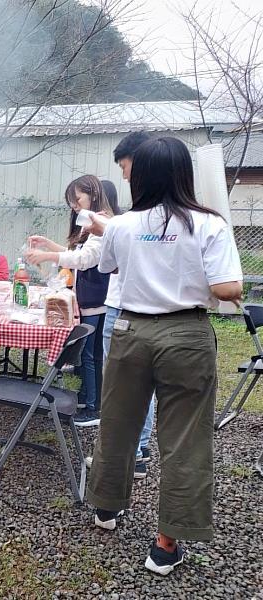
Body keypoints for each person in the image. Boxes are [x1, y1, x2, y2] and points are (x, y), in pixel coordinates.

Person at [87, 137, 242, 576]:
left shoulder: (121, 225)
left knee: (117, 423)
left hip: (130, 330)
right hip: (186, 333)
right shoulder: (209, 223)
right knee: (185, 439)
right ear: (184, 173)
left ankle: (106, 509)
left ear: (138, 175)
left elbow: (110, 268)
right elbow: (229, 288)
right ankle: (165, 543)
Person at [24, 175, 113, 427]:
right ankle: (88, 398)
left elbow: (85, 259)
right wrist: (48, 245)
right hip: (91, 297)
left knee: (89, 355)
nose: (74, 205)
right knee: (91, 355)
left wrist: (46, 255)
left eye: (77, 199)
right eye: (71, 201)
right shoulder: (89, 221)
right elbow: (74, 253)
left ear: (93, 194)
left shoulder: (102, 222)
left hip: (97, 298)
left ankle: (94, 408)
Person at [108, 131, 157, 475]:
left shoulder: (124, 223)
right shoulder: (125, 221)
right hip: (131, 313)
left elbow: (104, 264)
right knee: (134, 389)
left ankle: (135, 451)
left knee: (131, 389)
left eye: (125, 167)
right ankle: (136, 449)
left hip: (134, 316)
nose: (124, 176)